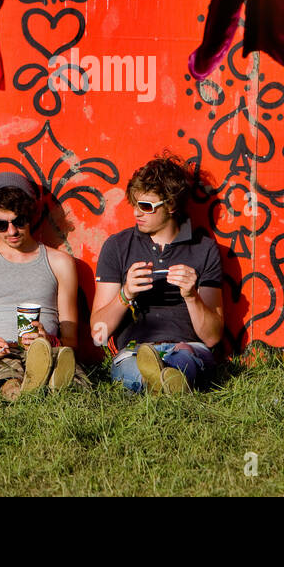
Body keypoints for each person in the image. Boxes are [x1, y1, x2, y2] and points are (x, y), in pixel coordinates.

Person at [92, 154, 225, 394]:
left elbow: (213, 337)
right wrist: (125, 294)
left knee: (185, 361)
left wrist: (191, 295)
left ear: (171, 205)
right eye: (134, 204)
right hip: (136, 350)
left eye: (145, 206)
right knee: (133, 367)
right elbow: (97, 331)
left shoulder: (203, 249)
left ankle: (161, 379)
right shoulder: (118, 246)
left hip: (187, 347)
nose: (136, 213)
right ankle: (166, 381)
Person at [0, 172, 89, 400]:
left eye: (19, 222)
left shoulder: (60, 263)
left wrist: (49, 341)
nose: (12, 231)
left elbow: (71, 340)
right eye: (0, 225)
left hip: (47, 350)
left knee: (70, 373)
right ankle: (25, 386)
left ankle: (41, 381)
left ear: (31, 216)